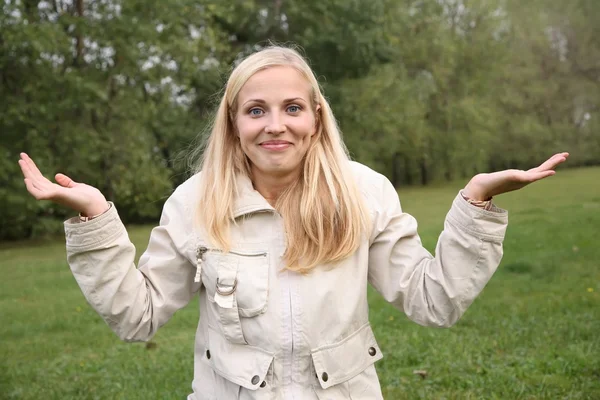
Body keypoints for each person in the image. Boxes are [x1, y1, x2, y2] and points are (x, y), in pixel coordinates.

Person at [18, 46, 568, 400]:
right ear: (233, 125)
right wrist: (95, 219)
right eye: (255, 110)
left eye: (292, 108)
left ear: (315, 117)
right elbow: (137, 316)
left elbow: (434, 301)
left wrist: (475, 205)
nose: (274, 126)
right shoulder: (193, 203)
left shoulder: (364, 192)